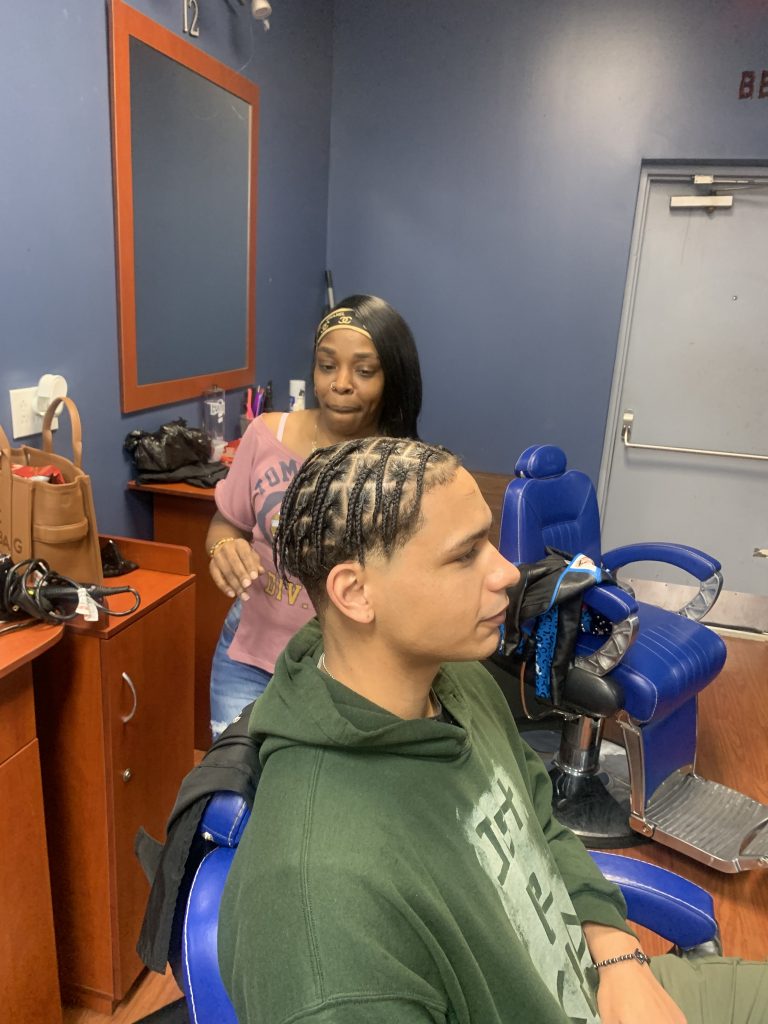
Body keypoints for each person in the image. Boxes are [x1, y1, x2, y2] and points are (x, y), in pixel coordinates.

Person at [218, 437, 768, 1024]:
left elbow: (542, 826)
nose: (508, 571)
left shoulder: (458, 682)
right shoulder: (320, 910)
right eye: (465, 554)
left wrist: (618, 960)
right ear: (355, 593)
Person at [205, 295, 423, 739]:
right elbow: (225, 524)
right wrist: (225, 547)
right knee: (235, 797)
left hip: (346, 676)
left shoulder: (403, 468)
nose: (340, 384)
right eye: (327, 365)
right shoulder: (266, 434)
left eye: (364, 371)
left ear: (392, 379)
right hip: (247, 662)